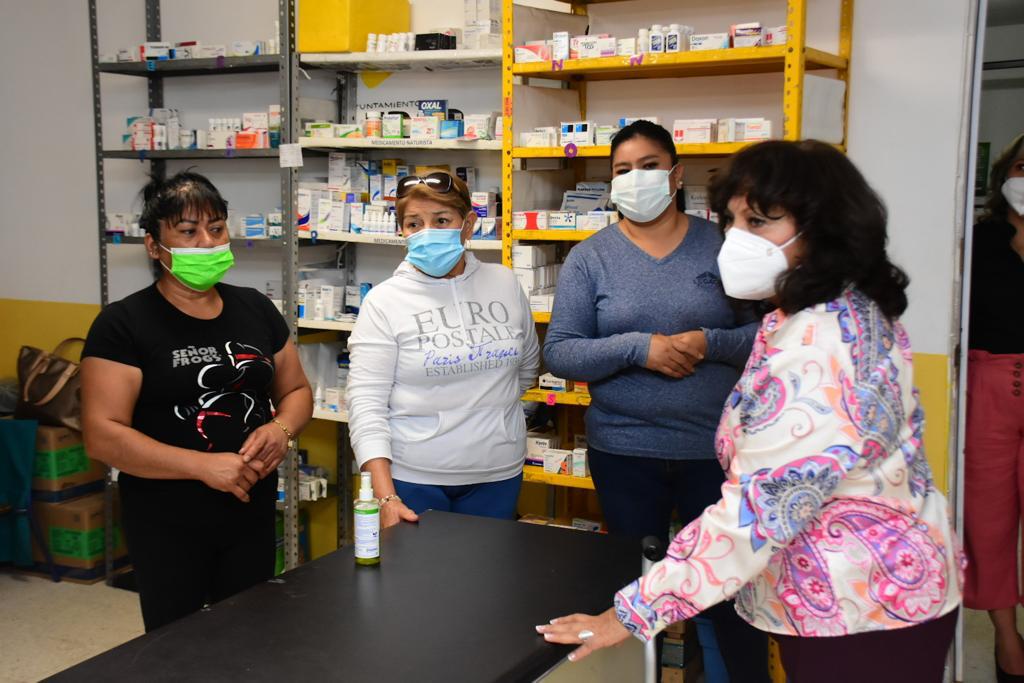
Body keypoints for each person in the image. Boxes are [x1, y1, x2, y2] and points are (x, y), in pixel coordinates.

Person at [537, 140, 964, 683]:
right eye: (734, 221)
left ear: (824, 228)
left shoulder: (819, 343)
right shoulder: (823, 313)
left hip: (862, 602)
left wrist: (630, 613)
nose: (738, 238)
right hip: (859, 589)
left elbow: (757, 512)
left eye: (760, 221)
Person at [542, 120, 767, 681]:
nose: (635, 178)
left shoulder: (721, 246)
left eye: (648, 166)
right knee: (630, 594)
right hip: (625, 453)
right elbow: (562, 353)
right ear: (610, 182)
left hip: (711, 452)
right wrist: (639, 348)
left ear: (676, 174)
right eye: (622, 170)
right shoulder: (590, 258)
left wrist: (706, 341)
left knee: (726, 593)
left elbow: (765, 339)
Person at [81, 171, 313, 632]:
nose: (206, 242)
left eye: (216, 227)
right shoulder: (123, 324)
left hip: (250, 507)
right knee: (177, 643)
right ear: (154, 245)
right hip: (167, 517)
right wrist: (202, 466)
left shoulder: (255, 308)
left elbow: (296, 392)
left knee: (251, 632)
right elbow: (101, 435)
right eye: (188, 231)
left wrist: (281, 429)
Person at [346, 172, 539, 528]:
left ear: (468, 225)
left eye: (441, 221)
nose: (427, 232)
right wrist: (386, 497)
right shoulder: (384, 302)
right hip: (414, 478)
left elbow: (526, 368)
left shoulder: (504, 283)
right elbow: (366, 406)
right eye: (414, 224)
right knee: (420, 582)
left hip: (498, 474)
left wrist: (493, 420)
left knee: (490, 581)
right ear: (401, 230)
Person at [964, 132, 1024, 681]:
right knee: (988, 520)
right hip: (989, 383)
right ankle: (1008, 640)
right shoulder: (980, 241)